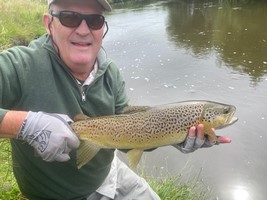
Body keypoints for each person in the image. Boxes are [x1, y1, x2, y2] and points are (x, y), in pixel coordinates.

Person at [0, 0, 231, 199]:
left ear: (103, 28)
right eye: (70, 18)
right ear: (49, 23)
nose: (83, 30)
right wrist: (25, 125)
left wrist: (176, 137)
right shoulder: (19, 66)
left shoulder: (110, 73)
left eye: (94, 21)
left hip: (109, 175)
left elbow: (131, 133)